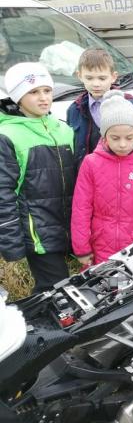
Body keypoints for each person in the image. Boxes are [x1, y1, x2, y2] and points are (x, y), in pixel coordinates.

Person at [0, 63, 76, 292]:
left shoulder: (63, 129)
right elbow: (4, 193)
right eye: (33, 92)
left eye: (47, 90)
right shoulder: (8, 135)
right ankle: (27, 325)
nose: (43, 98)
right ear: (17, 97)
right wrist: (12, 245)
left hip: (70, 228)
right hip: (38, 234)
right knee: (56, 290)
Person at [71, 92, 133, 266]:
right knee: (102, 290)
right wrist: (81, 248)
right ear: (104, 136)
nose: (122, 144)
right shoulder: (91, 163)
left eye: (129, 138)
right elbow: (81, 208)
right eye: (115, 138)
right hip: (101, 246)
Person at [67, 48, 133, 168]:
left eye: (102, 78)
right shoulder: (75, 110)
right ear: (79, 76)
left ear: (113, 77)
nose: (96, 84)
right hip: (90, 175)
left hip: (124, 172)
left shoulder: (129, 104)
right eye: (89, 78)